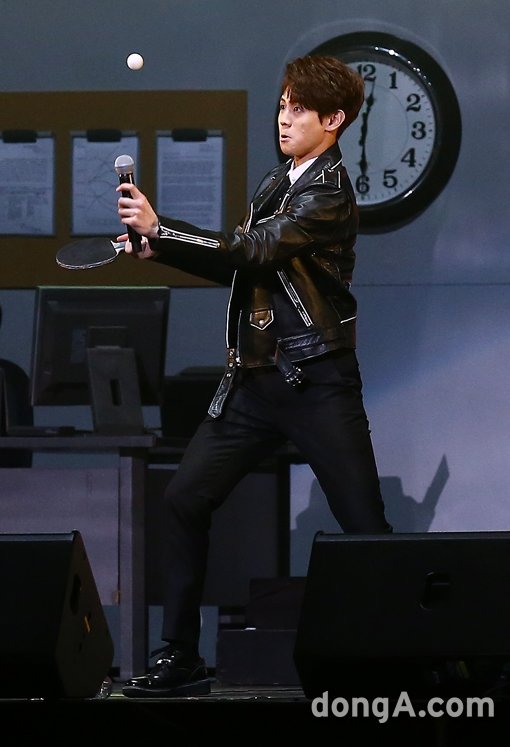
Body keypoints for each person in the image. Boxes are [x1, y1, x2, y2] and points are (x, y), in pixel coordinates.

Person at [116, 54, 392, 698]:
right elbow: (241, 264)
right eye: (282, 106)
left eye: (299, 109)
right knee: (184, 498)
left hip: (316, 380)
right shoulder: (278, 181)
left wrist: (164, 226)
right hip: (255, 382)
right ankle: (179, 655)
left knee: (365, 527)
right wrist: (161, 247)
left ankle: (410, 657)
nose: (284, 119)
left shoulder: (328, 192)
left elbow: (257, 249)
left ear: (334, 120)